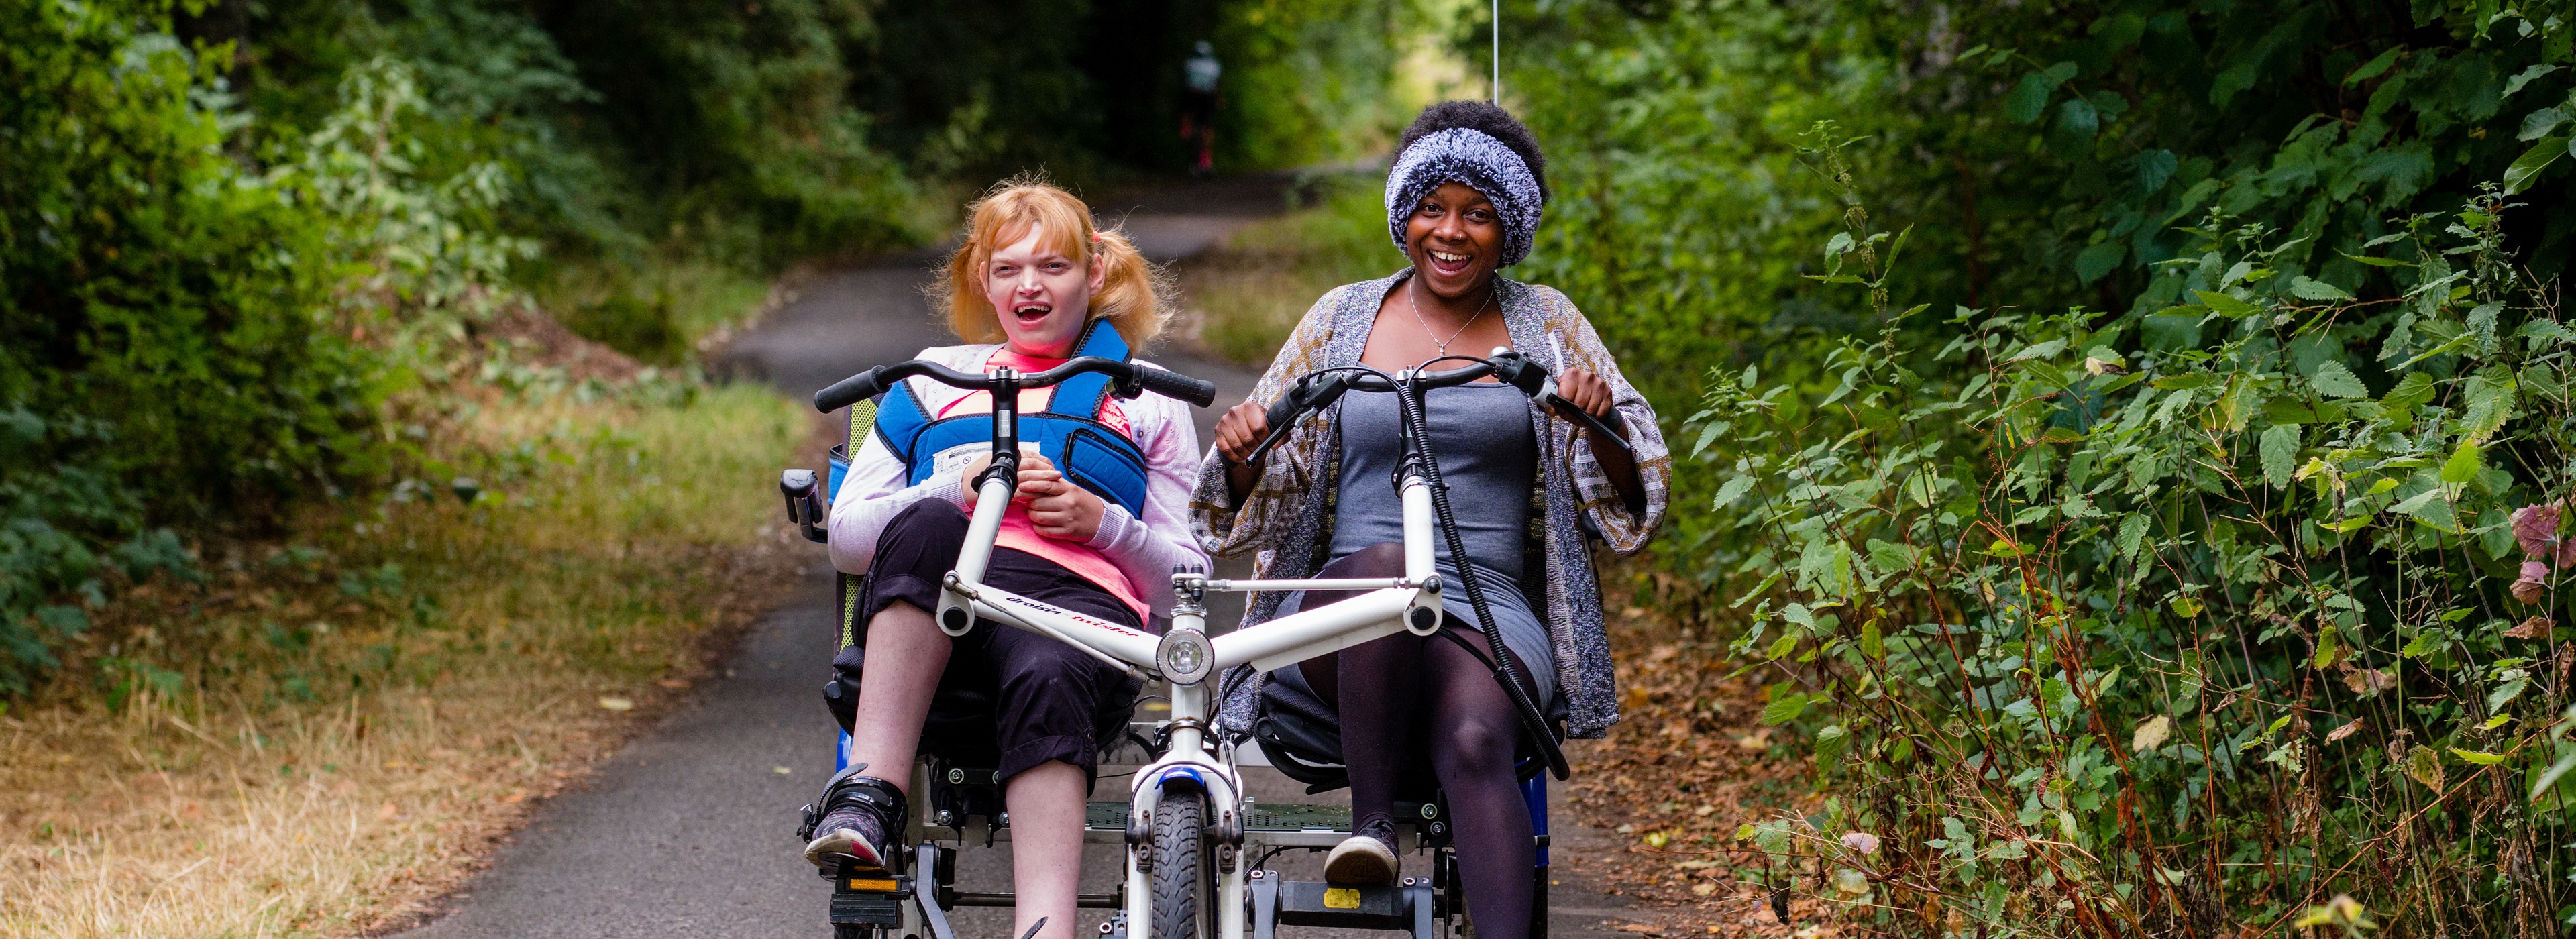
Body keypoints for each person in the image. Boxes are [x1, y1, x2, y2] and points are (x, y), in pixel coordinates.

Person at [1193, 101, 1668, 939]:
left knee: (1480, 739)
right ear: (1402, 216)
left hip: (1486, 609)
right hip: (1343, 611)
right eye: (1432, 208)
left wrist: (1603, 424)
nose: (1451, 232)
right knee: (1383, 567)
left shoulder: (1546, 322)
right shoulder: (1343, 317)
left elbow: (1631, 504)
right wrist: (1242, 450)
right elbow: (1258, 481)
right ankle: (1372, 826)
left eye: (1478, 214)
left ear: (1509, 229)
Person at [802, 178, 1210, 939]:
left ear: (1093, 274)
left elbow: (1186, 585)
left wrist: (1103, 524)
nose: (1030, 285)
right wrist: (949, 490)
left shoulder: (1149, 401)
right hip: (938, 619)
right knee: (923, 520)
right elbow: (851, 536)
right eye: (1008, 267)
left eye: (1052, 266)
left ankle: (1044, 927)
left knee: (1046, 668)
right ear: (980, 279)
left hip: (1075, 622)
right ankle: (870, 797)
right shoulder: (930, 379)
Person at [1181, 40, 1220, 176]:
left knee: (1188, 113)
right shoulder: (1214, 66)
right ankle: (1206, 162)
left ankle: (1186, 128)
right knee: (1207, 129)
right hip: (1207, 98)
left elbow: (1185, 83)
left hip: (1191, 96)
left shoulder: (1189, 63)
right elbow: (1215, 86)